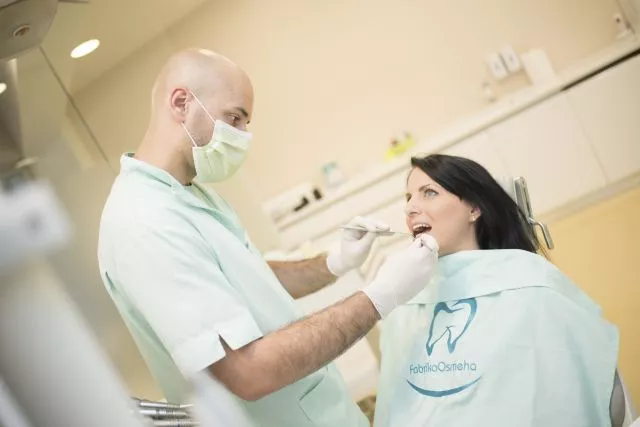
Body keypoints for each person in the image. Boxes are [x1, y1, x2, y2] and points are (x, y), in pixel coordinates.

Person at [97, 48, 439, 427]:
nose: (243, 136)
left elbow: (250, 277)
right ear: (181, 103)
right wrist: (380, 296)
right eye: (234, 119)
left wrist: (334, 262)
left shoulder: (188, 191)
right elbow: (249, 372)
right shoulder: (144, 222)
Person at [373, 154, 619, 427]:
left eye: (429, 193)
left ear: (474, 209)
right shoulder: (404, 299)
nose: (410, 208)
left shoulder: (530, 281)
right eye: (408, 198)